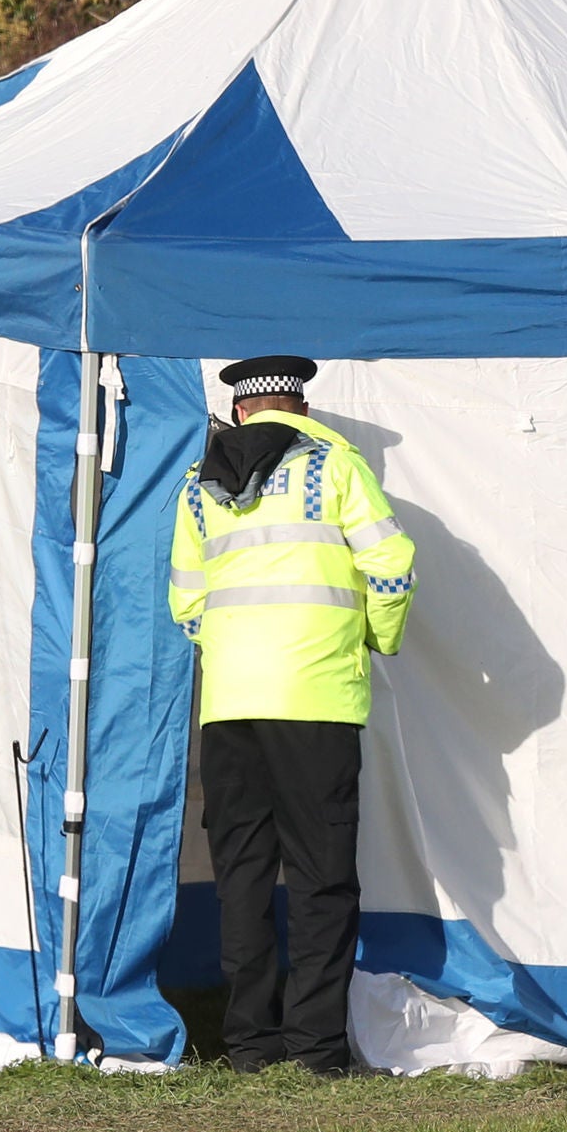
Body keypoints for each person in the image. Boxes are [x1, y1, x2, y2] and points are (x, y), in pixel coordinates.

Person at [170, 355, 416, 1074]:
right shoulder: (335, 465)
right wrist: (375, 635)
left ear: (242, 409)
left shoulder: (198, 487)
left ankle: (249, 1044)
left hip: (229, 708)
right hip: (316, 703)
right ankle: (314, 1048)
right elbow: (393, 562)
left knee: (242, 876)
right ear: (299, 406)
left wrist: (233, 653)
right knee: (321, 877)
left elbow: (186, 602)